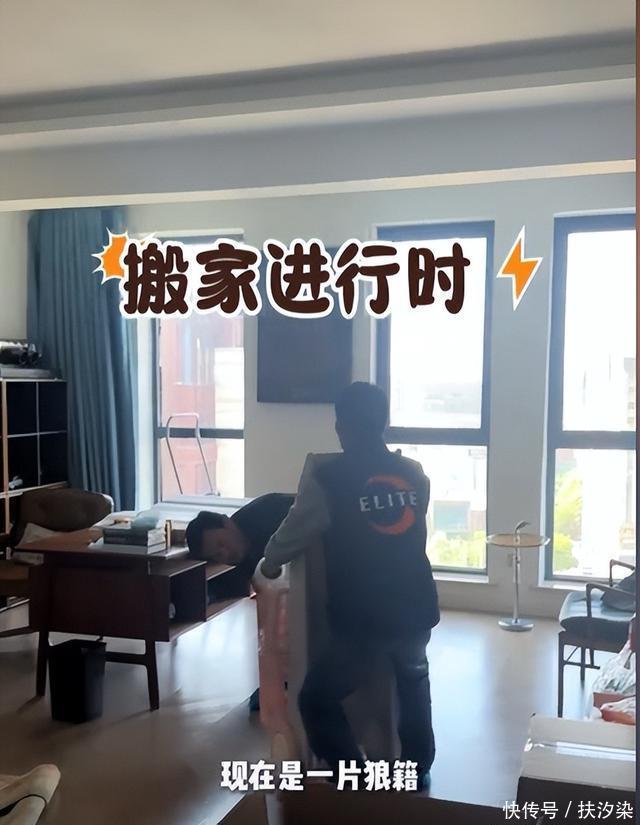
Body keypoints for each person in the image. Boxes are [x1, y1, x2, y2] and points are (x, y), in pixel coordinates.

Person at [259, 382, 439, 789]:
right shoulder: (414, 474)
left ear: (340, 427)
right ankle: (417, 769)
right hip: (416, 604)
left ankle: (353, 779)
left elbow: (296, 529)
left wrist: (269, 562)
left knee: (316, 697)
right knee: (413, 679)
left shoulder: (328, 477)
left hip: (364, 616)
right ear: (384, 423)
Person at [186, 494, 294, 601]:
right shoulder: (238, 560)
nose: (225, 554)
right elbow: (228, 587)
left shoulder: (268, 511)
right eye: (217, 555)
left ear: (226, 522)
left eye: (221, 543)